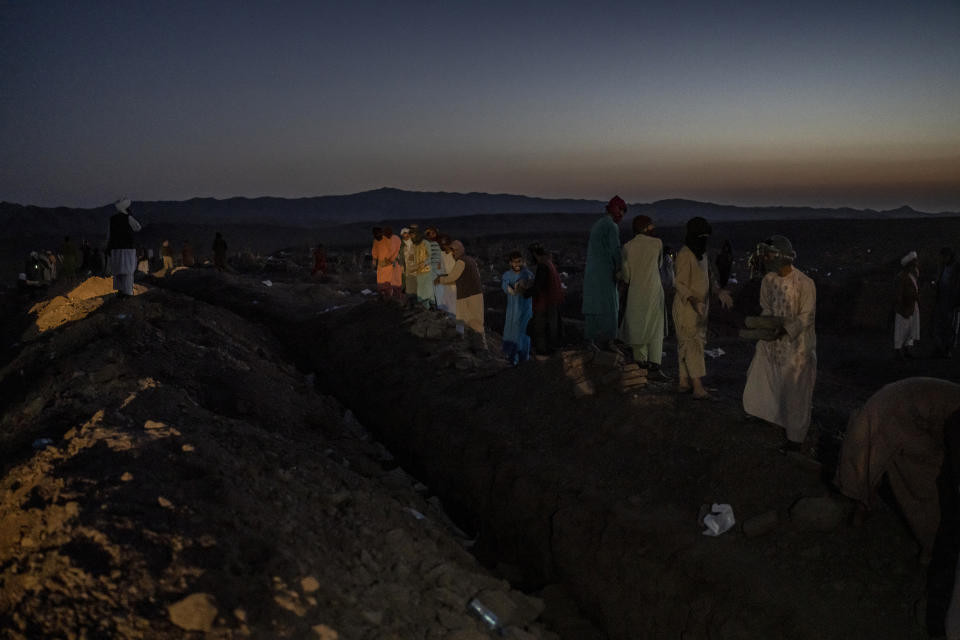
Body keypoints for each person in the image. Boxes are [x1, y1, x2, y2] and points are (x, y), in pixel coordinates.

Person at [834, 378, 960, 565]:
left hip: (907, 415)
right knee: (919, 487)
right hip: (897, 414)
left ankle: (934, 549)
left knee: (920, 483)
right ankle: (935, 550)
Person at [742, 235, 816, 452]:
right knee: (763, 379)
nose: (767, 258)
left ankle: (795, 437)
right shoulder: (769, 281)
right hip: (771, 344)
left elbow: (807, 317)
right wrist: (765, 326)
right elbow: (766, 306)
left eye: (770, 254)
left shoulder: (805, 283)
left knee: (795, 392)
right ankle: (765, 414)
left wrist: (784, 328)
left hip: (796, 347)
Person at [673, 217, 733, 399]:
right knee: (693, 344)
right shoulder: (685, 255)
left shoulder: (702, 254)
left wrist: (718, 291)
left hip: (700, 306)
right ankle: (698, 387)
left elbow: (709, 278)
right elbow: (680, 283)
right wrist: (693, 301)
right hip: (686, 307)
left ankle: (684, 382)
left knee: (688, 343)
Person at [619, 215, 668, 381]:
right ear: (647, 227)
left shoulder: (627, 247)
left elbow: (626, 276)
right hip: (654, 291)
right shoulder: (657, 243)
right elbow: (659, 264)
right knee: (655, 328)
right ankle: (655, 366)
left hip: (636, 292)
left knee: (638, 326)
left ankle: (641, 364)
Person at [582, 196, 626, 350]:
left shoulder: (598, 224)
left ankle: (590, 341)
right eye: (621, 210)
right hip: (605, 272)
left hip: (592, 274)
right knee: (611, 306)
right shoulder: (611, 226)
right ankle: (610, 342)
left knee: (594, 305)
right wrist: (621, 269)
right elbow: (615, 250)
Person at [436, 240, 485, 347]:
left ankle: (466, 344)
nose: (452, 253)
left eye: (453, 251)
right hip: (475, 294)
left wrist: (439, 280)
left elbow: (453, 277)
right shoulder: (470, 260)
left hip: (466, 295)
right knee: (475, 321)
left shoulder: (461, 262)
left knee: (464, 320)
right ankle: (480, 345)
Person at [524, 243, 564, 359]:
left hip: (546, 302)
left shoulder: (543, 266)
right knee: (552, 326)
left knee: (540, 327)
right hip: (554, 301)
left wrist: (524, 293)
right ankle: (552, 350)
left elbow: (538, 287)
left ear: (534, 254)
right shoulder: (549, 263)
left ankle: (544, 352)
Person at [501, 251, 534, 364]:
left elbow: (529, 284)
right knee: (512, 334)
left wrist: (522, 285)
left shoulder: (528, 274)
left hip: (525, 310)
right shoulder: (506, 275)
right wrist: (511, 289)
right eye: (514, 262)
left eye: (519, 261)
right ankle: (511, 360)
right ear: (510, 263)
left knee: (524, 334)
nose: (517, 264)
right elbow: (505, 286)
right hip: (512, 311)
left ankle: (524, 359)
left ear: (522, 261)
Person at [106, 198, 141, 298]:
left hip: (115, 248)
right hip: (127, 248)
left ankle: (120, 291)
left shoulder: (112, 219)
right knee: (128, 270)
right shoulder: (128, 218)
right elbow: (137, 227)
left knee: (118, 270)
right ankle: (128, 292)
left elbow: (109, 234)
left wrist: (108, 246)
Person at [894, 250, 921, 359]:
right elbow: (899, 294)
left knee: (910, 329)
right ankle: (899, 350)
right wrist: (900, 306)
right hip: (905, 306)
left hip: (912, 305)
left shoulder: (912, 274)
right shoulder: (902, 277)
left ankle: (907, 348)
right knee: (901, 329)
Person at [934, 248, 960, 358]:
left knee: (951, 327)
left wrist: (958, 302)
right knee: (941, 326)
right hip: (942, 302)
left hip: (952, 302)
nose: (942, 259)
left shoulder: (957, 268)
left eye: (944, 256)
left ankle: (948, 349)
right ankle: (941, 348)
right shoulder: (944, 268)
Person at [411, 226, 435, 308]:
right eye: (411, 235)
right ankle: (424, 309)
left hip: (427, 270)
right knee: (421, 291)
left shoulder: (426, 243)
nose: (412, 237)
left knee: (428, 291)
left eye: (413, 235)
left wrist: (425, 263)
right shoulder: (414, 245)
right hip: (418, 271)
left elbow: (431, 256)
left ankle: (431, 308)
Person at [435, 234, 458, 316]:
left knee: (454, 308)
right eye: (440, 245)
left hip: (454, 285)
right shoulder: (442, 254)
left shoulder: (455, 256)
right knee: (446, 306)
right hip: (446, 285)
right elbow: (439, 267)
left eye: (443, 245)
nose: (441, 247)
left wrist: (442, 276)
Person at [370, 227, 392, 298]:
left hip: (388, 265)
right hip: (380, 266)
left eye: (378, 234)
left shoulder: (387, 240)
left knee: (388, 282)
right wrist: (373, 264)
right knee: (380, 283)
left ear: (381, 233)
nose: (376, 236)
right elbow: (374, 254)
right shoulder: (375, 241)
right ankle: (382, 297)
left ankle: (388, 297)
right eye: (375, 234)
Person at [382, 228, 403, 299]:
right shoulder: (395, 238)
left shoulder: (393, 239)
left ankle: (396, 297)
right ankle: (396, 296)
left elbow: (392, 251)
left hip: (395, 262)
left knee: (395, 281)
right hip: (396, 262)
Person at [400, 227, 417, 302]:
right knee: (407, 282)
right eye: (404, 234)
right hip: (406, 266)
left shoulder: (414, 242)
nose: (406, 236)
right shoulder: (402, 245)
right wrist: (401, 265)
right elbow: (400, 256)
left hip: (415, 266)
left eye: (407, 234)